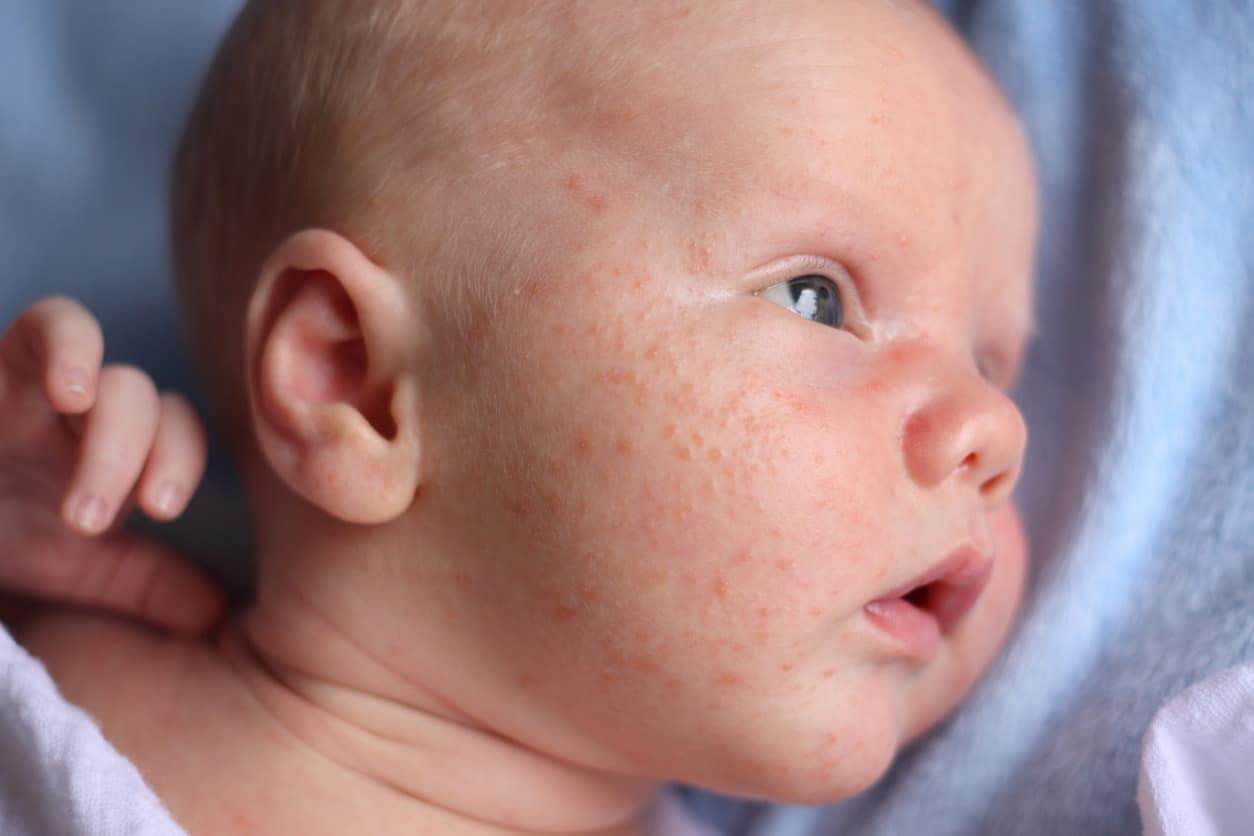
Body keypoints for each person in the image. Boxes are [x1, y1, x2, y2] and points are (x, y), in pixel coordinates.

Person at [0, 0, 1039, 833]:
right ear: (353, 380)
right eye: (817, 295)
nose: (996, 425)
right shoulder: (66, 676)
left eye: (993, 360)